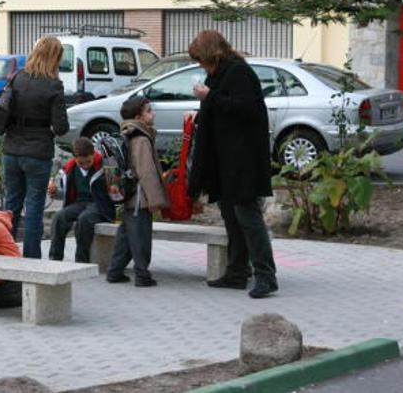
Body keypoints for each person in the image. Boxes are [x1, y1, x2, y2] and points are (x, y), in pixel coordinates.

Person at [186, 30, 279, 299]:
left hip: (243, 160)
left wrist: (209, 97)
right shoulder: (217, 75)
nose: (202, 66)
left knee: (248, 217)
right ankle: (237, 272)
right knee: (231, 217)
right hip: (225, 160)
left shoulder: (238, 73)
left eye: (202, 60)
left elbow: (247, 109)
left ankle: (266, 275)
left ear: (212, 54)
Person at [2, 36, 69, 259]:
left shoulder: (18, 78)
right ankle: (31, 258)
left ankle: (4, 252)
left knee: (10, 206)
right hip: (38, 153)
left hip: (11, 150)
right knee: (33, 209)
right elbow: (61, 127)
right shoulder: (53, 85)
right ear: (55, 58)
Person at [106, 95, 169, 287]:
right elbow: (147, 171)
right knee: (141, 236)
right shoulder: (141, 138)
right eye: (149, 111)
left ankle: (115, 271)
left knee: (125, 236)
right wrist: (155, 200)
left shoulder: (128, 134)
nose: (153, 114)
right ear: (138, 117)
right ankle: (142, 275)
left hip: (128, 194)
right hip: (140, 198)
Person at [47, 137, 115, 263]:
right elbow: (67, 194)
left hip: (99, 205)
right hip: (79, 203)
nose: (85, 165)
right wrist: (55, 192)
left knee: (84, 219)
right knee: (59, 218)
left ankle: (81, 261)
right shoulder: (70, 169)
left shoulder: (104, 166)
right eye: (81, 163)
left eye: (88, 162)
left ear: (93, 155)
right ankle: (54, 259)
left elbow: (115, 188)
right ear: (75, 158)